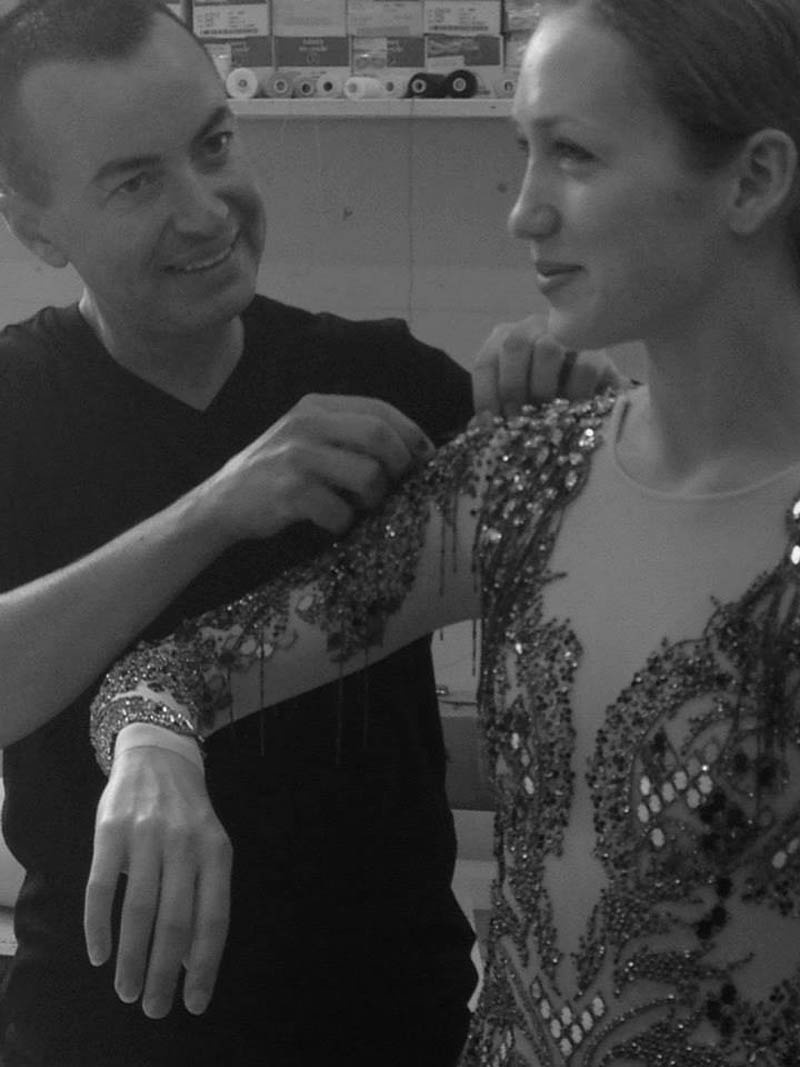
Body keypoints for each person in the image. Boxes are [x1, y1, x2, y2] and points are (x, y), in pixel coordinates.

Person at [92, 0, 800, 1064]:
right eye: (522, 153)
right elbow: (170, 673)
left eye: (573, 155)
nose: (523, 212)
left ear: (751, 180)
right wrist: (155, 745)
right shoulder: (523, 482)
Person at [0, 0, 605, 1063]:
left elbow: (587, 567)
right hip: (105, 1027)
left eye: (214, 144)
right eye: (136, 182)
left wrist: (568, 408)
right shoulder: (16, 405)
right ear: (37, 228)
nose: (206, 211)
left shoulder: (382, 379)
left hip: (390, 1015)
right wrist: (214, 509)